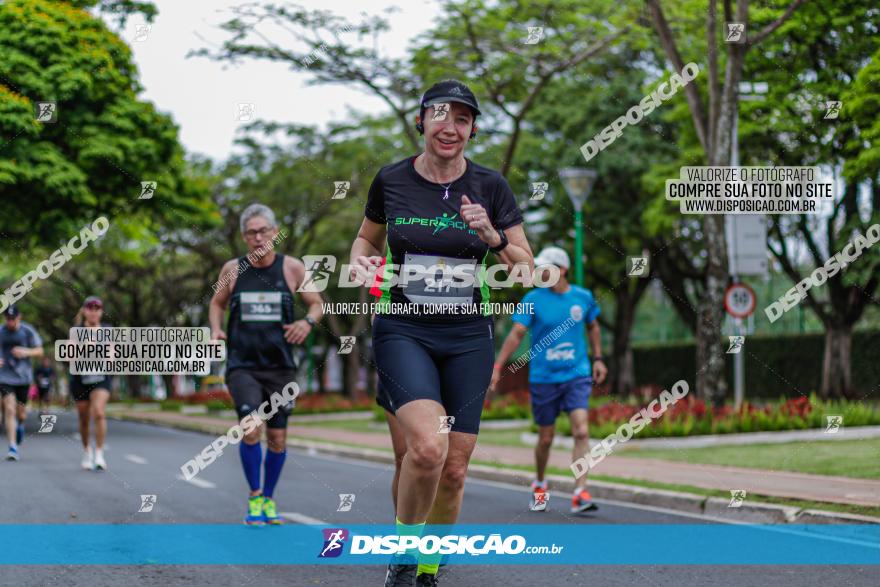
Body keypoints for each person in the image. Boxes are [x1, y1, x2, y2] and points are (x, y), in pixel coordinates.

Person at [350, 79, 533, 586]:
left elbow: (525, 269)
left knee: (454, 466)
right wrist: (362, 264)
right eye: (439, 115)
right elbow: (366, 239)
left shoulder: (492, 187)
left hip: (468, 336)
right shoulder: (391, 181)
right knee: (426, 450)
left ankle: (430, 567)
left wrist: (493, 237)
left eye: (461, 118)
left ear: (472, 129)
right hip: (403, 330)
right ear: (421, 121)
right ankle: (403, 561)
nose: (449, 127)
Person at [209, 203, 323, 526]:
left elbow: (317, 304)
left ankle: (270, 499)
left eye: (264, 231)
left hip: (280, 367)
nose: (258, 238)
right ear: (244, 237)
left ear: (275, 233)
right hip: (242, 365)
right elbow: (217, 304)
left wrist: (308, 323)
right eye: (251, 233)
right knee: (250, 428)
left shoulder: (293, 269)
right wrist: (216, 328)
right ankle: (255, 494)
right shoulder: (233, 269)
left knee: (277, 438)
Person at [491, 247, 608, 513]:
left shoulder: (583, 297)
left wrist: (598, 358)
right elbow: (516, 334)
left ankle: (580, 492)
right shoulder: (533, 298)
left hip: (576, 374)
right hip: (544, 378)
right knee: (546, 438)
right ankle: (540, 484)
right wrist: (499, 365)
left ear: (562, 270)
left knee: (581, 430)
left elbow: (594, 327)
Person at [70, 296, 113, 471]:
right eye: (90, 308)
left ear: (101, 312)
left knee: (99, 413)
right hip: (80, 379)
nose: (94, 312)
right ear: (84, 310)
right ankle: (86, 450)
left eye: (97, 309)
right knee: (83, 417)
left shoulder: (108, 330)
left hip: (101, 378)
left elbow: (112, 356)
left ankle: (99, 453)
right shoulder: (76, 331)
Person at [0, 306, 44, 461]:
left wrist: (25, 352)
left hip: (23, 378)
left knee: (21, 413)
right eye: (8, 319)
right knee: (10, 410)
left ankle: (20, 425)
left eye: (13, 318)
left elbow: (40, 351)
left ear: (19, 317)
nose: (10, 322)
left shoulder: (28, 331)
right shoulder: (1, 331)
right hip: (5, 377)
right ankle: (12, 447)